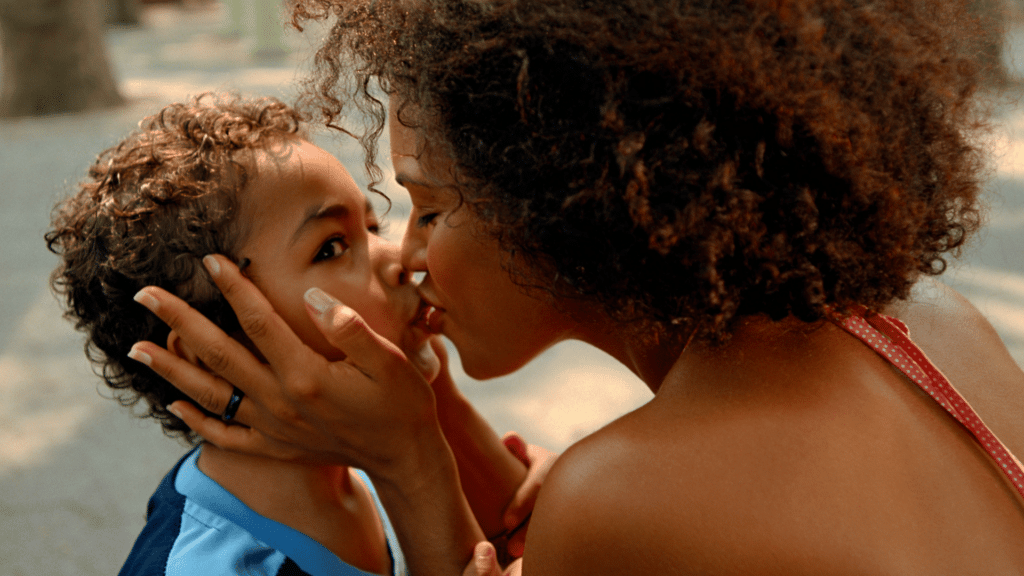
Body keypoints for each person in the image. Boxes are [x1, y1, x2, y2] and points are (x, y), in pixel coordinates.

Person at [124, 0, 1024, 574]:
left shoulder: (620, 495)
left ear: (559, 208)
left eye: (430, 208)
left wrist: (406, 460)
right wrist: (421, 398)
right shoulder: (927, 322)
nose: (410, 255)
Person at [46, 93, 539, 576]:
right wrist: (408, 461)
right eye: (331, 248)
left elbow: (521, 529)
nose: (400, 260)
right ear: (208, 352)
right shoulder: (209, 566)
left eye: (371, 226)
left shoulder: (367, 453)